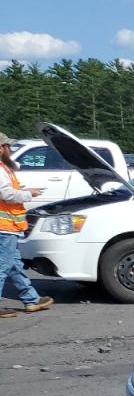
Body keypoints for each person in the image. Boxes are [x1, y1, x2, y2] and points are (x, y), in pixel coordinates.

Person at [0, 132, 52, 317]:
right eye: (8, 146)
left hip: (8, 227)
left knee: (13, 264)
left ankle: (31, 299)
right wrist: (29, 194)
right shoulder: (0, 169)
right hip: (4, 227)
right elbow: (6, 195)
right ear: (1, 148)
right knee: (3, 266)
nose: (11, 150)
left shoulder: (4, 168)